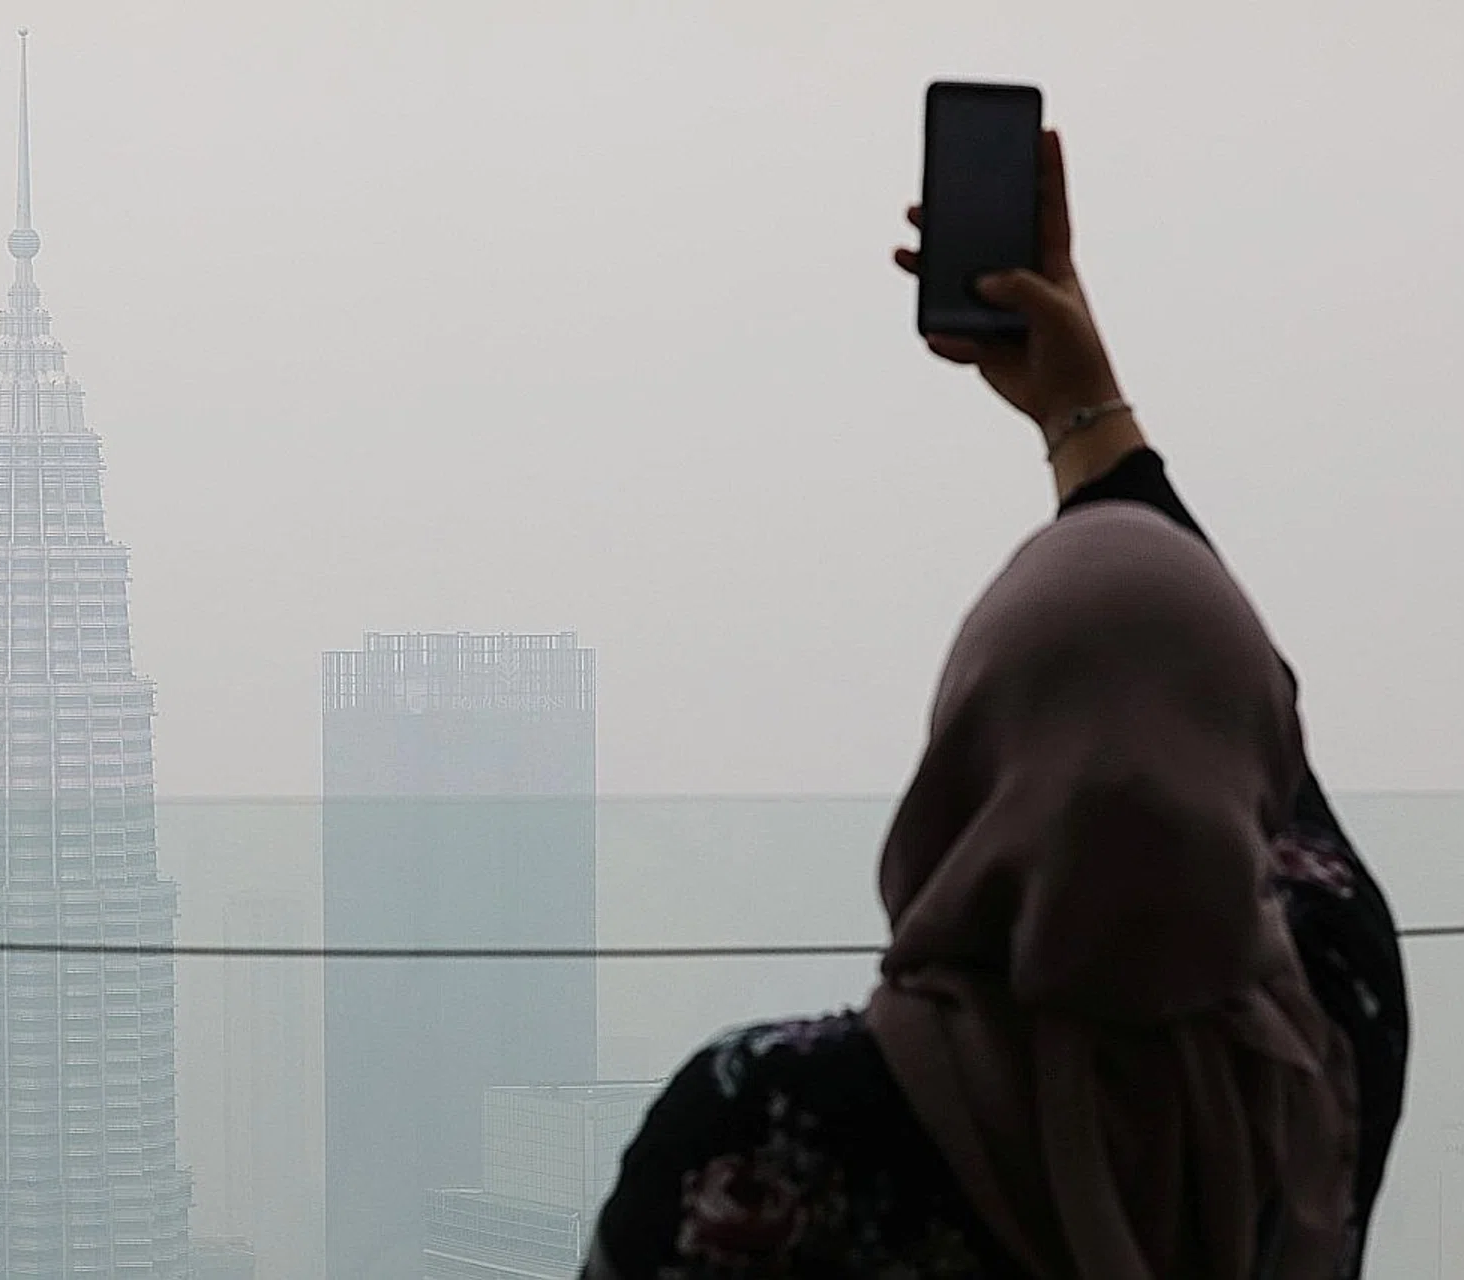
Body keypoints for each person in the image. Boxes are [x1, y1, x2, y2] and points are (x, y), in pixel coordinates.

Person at [579, 129, 1408, 1280]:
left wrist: (1073, 409)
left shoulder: (763, 1126)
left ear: (966, 761)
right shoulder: (1328, 1049)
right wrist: (1087, 408)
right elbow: (1265, 754)